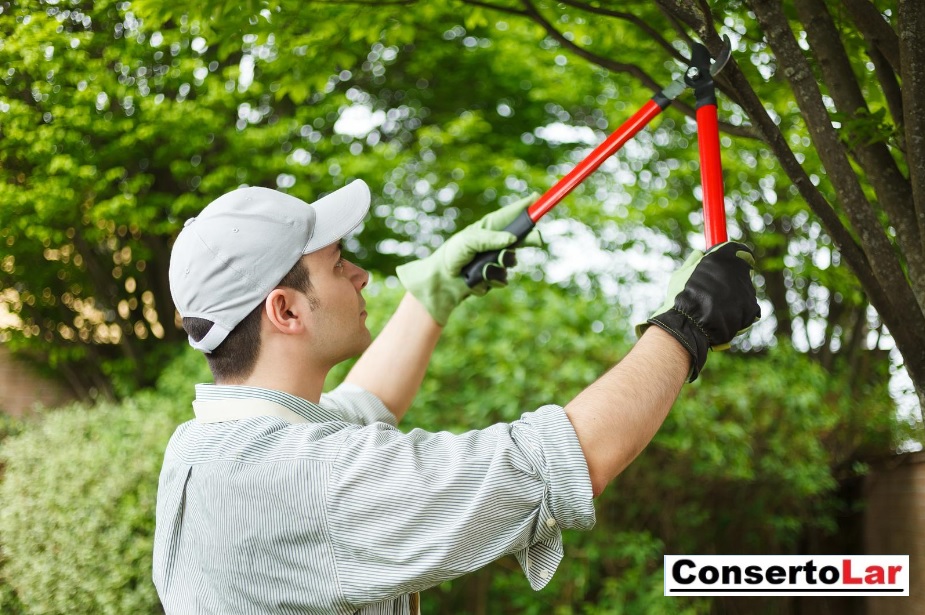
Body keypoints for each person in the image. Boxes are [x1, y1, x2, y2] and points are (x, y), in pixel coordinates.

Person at [153, 179, 759, 614]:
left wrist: (436, 289)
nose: (360, 275)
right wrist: (689, 325)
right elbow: (556, 463)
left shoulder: (208, 448)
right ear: (284, 310)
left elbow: (367, 403)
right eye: (338, 264)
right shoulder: (309, 478)